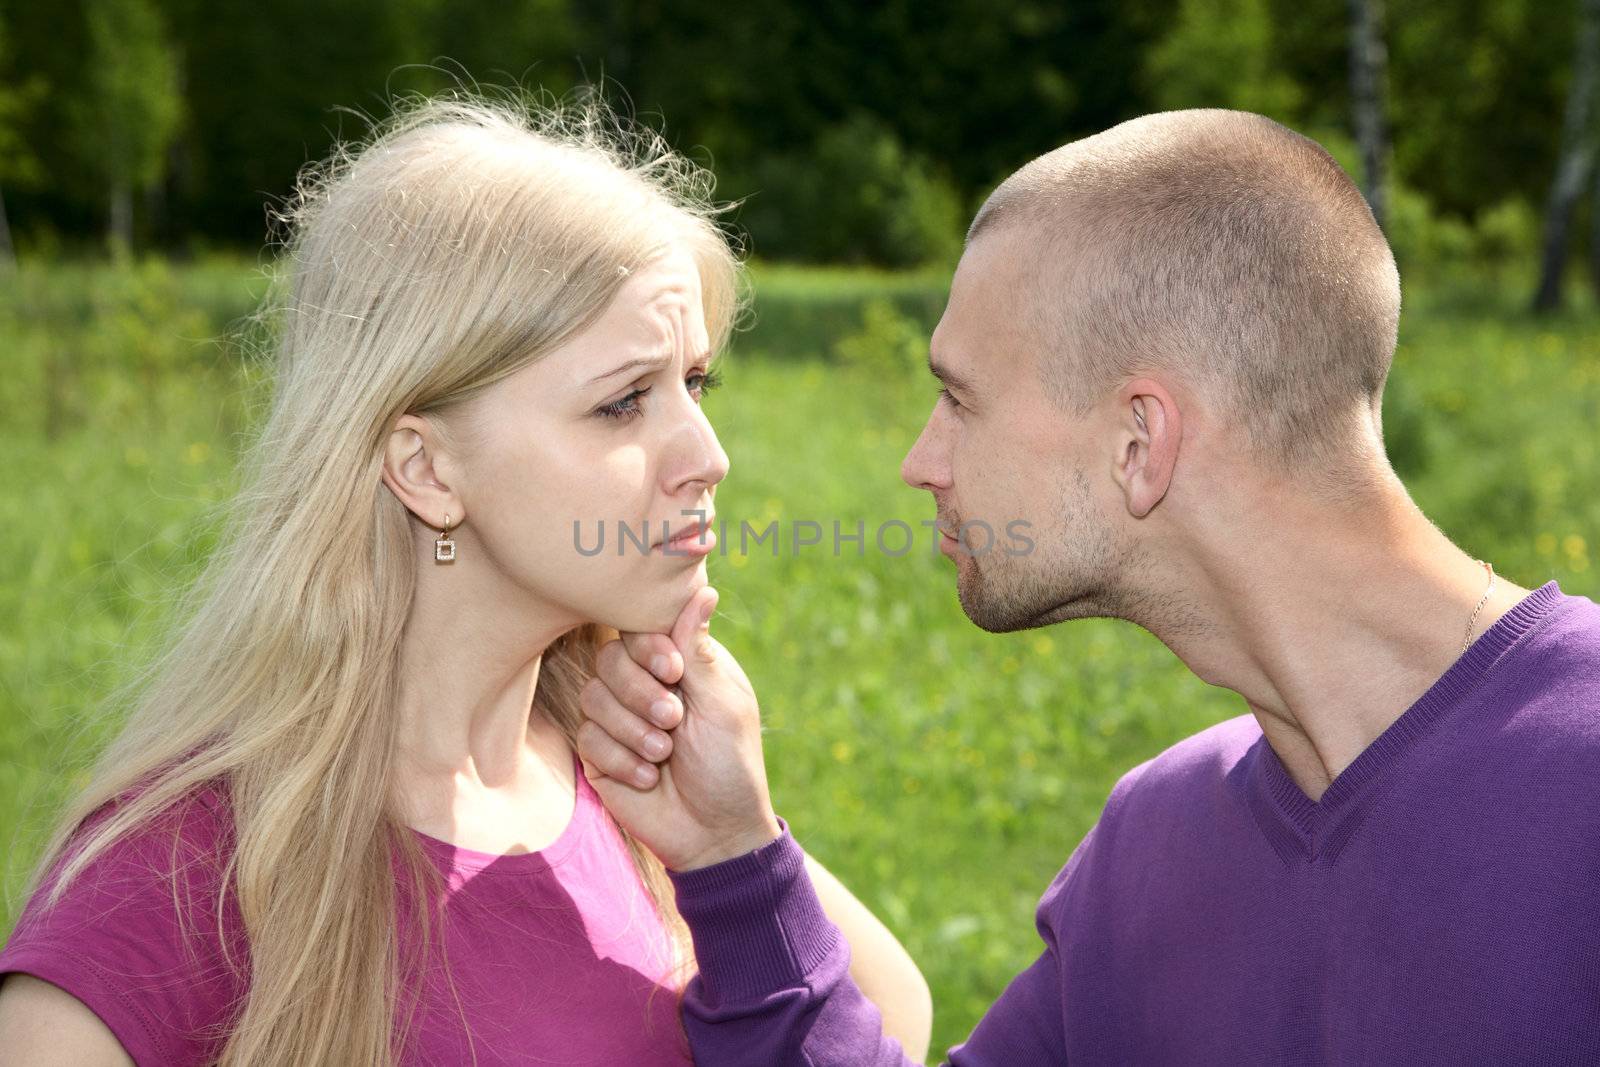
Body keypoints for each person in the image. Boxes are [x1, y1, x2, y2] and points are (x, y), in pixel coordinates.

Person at [574, 108, 1600, 1065]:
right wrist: (727, 854)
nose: (919, 460)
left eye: (958, 398)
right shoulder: (1154, 849)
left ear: (1138, 439)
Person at [0, 91, 931, 1067]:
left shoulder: (641, 785)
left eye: (692, 385)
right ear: (427, 468)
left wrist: (737, 857)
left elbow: (888, 1016)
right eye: (622, 403)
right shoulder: (180, 877)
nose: (706, 454)